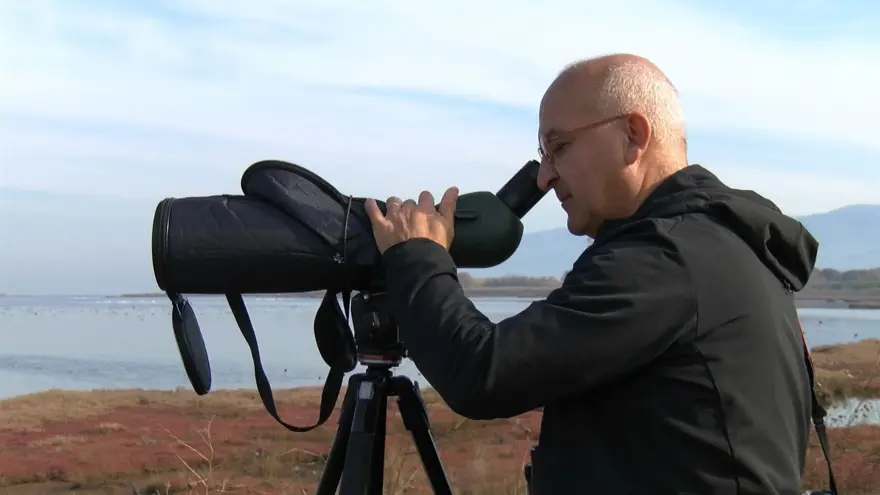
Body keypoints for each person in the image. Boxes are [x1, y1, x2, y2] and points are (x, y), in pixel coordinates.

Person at [364, 54, 819, 494]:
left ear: (633, 136)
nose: (544, 177)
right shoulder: (718, 241)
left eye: (559, 148)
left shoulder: (666, 257)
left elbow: (483, 373)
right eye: (542, 155)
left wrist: (416, 257)